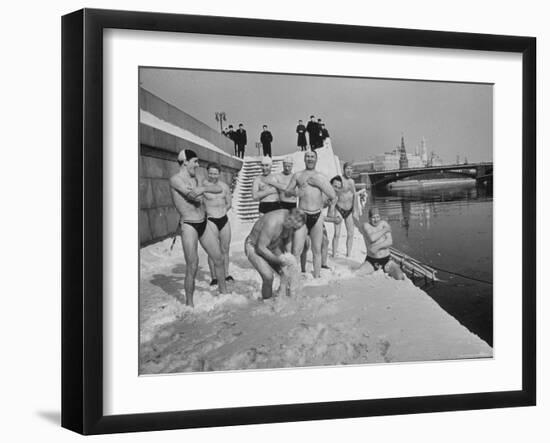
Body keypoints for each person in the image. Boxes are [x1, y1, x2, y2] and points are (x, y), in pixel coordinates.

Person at [169, 149, 228, 307]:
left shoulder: (197, 178)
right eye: (195, 161)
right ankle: (189, 303)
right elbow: (191, 196)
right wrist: (201, 190)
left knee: (219, 258)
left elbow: (218, 189)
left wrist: (202, 188)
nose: (197, 165)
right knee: (192, 265)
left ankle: (224, 292)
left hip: (203, 222)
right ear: (185, 161)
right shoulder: (176, 180)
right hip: (189, 226)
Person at [285, 150, 336, 278]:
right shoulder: (298, 175)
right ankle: (293, 279)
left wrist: (319, 184)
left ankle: (317, 277)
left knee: (316, 250)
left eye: (312, 156)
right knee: (296, 250)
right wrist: (296, 193)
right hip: (302, 215)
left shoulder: (321, 177)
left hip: (317, 216)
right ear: (304, 159)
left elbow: (333, 195)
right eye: (307, 156)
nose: (310, 158)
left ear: (316, 159)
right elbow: (287, 191)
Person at [245, 208, 306, 299]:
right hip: (253, 246)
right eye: (293, 228)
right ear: (290, 220)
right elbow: (261, 248)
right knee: (268, 276)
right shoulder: (273, 223)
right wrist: (278, 261)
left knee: (286, 273)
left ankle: (281, 299)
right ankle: (266, 304)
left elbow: (287, 240)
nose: (293, 230)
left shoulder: (290, 219)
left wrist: (289, 259)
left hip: (272, 246)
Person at [352, 205, 405, 280]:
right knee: (355, 274)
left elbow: (390, 241)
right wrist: (385, 230)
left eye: (377, 217)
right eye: (373, 217)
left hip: (387, 260)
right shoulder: (366, 226)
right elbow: (372, 238)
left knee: (400, 276)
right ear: (369, 218)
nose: (376, 220)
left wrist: (376, 247)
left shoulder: (383, 224)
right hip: (372, 261)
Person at [202, 163, 234, 286]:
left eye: (215, 173)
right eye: (211, 173)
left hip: (223, 219)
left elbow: (229, 203)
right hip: (211, 220)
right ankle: (214, 277)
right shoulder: (203, 186)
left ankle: (226, 274)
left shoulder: (224, 186)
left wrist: (223, 211)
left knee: (225, 249)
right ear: (207, 172)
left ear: (219, 174)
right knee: (212, 250)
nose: (213, 176)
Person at [332, 163, 357, 257]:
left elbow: (354, 195)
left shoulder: (352, 181)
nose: (349, 170)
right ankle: (334, 254)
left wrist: (355, 210)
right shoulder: (339, 179)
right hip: (339, 208)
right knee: (337, 234)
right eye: (347, 168)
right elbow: (332, 190)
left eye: (351, 168)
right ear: (344, 169)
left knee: (351, 234)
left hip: (349, 210)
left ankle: (348, 254)